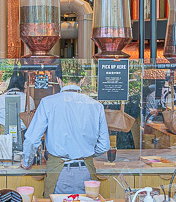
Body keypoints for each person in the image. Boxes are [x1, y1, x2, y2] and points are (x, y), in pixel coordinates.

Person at [20, 67, 109, 195]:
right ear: (82, 80)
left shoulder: (48, 103)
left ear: (58, 80)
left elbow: (32, 139)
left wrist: (27, 162)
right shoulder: (96, 106)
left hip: (58, 171)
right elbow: (104, 145)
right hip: (86, 171)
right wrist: (85, 155)